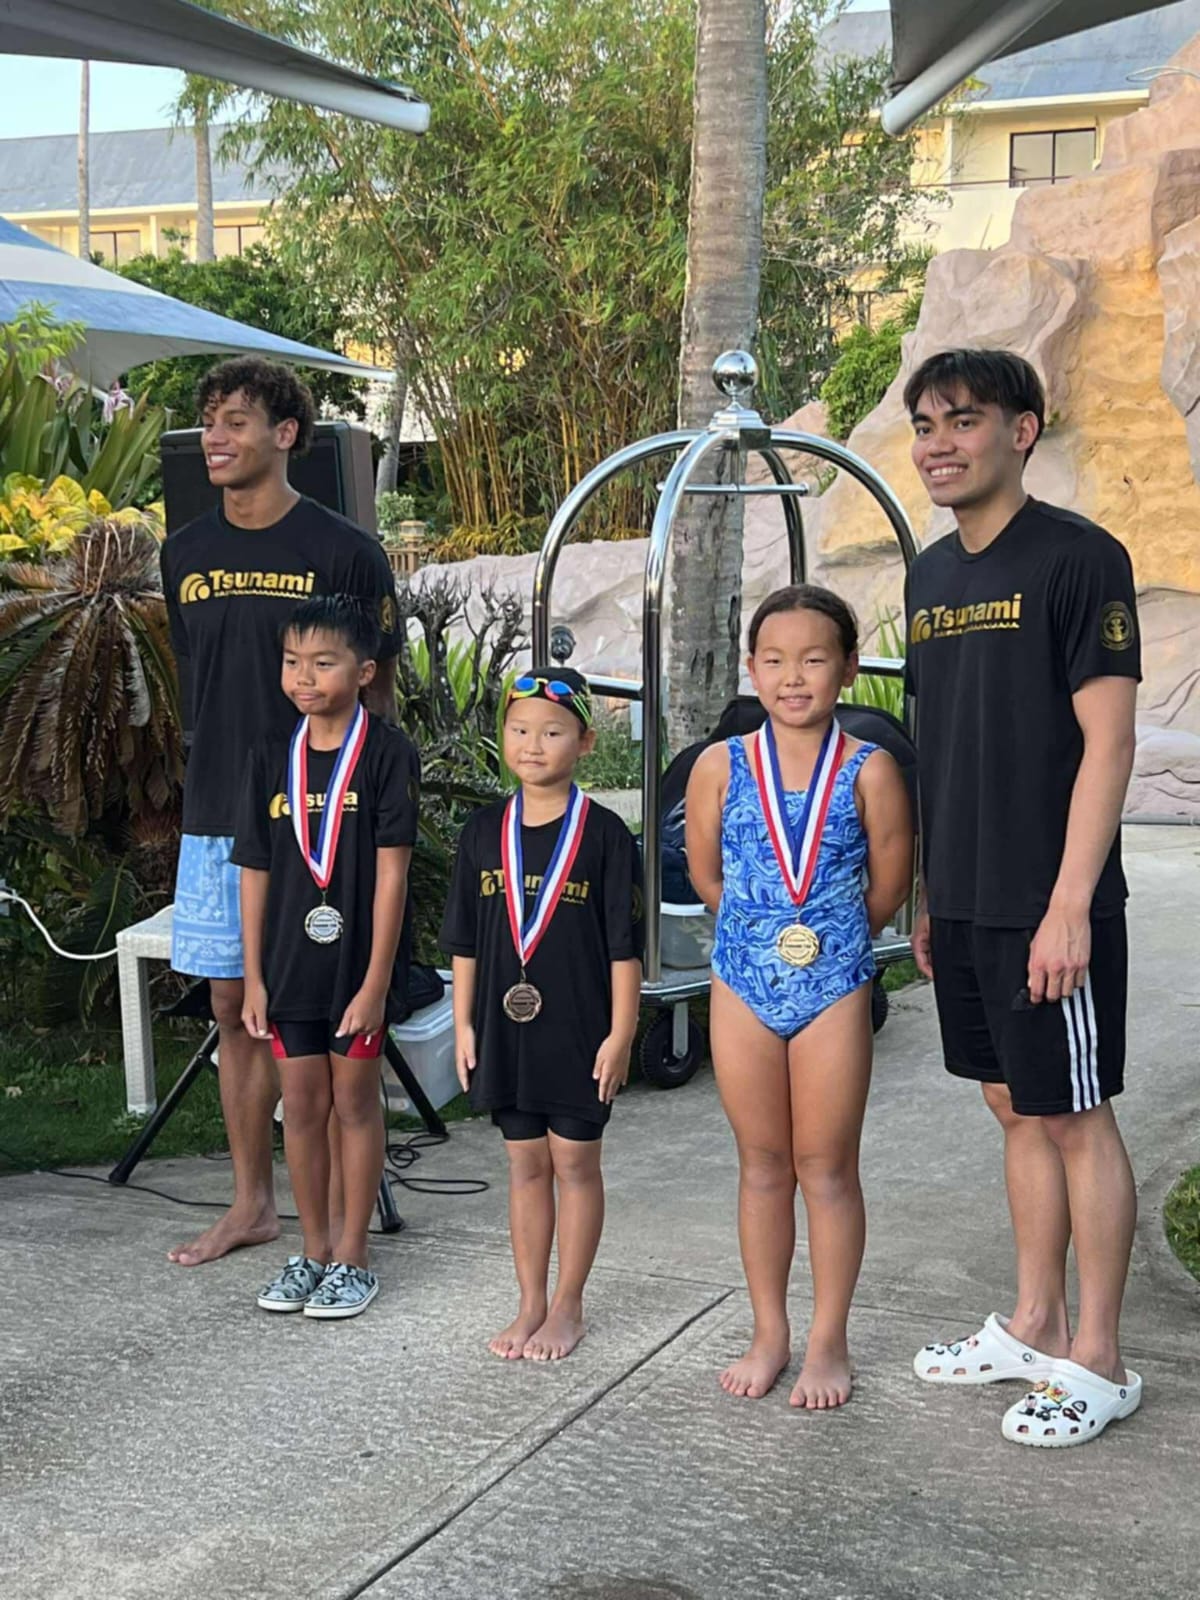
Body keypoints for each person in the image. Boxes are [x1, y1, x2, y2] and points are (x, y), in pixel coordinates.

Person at [903, 348, 1142, 1447]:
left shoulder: (1080, 560)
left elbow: (1109, 742)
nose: (939, 443)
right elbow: (935, 744)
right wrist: (927, 896)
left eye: (963, 420)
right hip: (965, 900)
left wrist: (1071, 904)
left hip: (1053, 902)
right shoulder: (929, 576)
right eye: (925, 425)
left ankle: (1099, 1354)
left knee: (1075, 1114)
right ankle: (1034, 1320)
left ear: (1023, 430)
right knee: (1010, 1104)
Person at [160, 357, 401, 1268]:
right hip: (218, 815)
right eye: (208, 423)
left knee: (324, 1007)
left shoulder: (343, 552)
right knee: (234, 1006)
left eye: (235, 421)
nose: (216, 439)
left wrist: (371, 821)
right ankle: (253, 1204)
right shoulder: (181, 553)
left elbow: (376, 702)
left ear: (286, 434)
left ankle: (335, 1227)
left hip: (324, 820)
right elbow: (203, 679)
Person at [686, 587, 913, 1410]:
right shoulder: (721, 764)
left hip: (834, 986)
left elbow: (890, 884)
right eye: (775, 661)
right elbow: (707, 874)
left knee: (826, 1167)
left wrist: (825, 942)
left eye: (815, 659)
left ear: (848, 668)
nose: (794, 678)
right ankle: (769, 1329)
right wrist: (759, 933)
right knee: (761, 1166)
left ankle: (828, 1339)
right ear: (752, 669)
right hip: (742, 981)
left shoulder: (871, 770)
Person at [441, 669, 643, 1361]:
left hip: (581, 1029)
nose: (534, 745)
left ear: (584, 741)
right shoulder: (481, 832)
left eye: (553, 733)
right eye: (520, 730)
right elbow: (464, 943)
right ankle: (529, 1301)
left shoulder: (607, 836)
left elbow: (625, 949)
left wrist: (621, 1034)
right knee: (524, 1162)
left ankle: (569, 1305)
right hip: (504, 1029)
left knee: (574, 1162)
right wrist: (463, 1024)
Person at [233, 595, 419, 1318]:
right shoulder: (270, 756)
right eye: (292, 661)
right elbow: (254, 870)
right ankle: (311, 1251)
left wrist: (376, 981)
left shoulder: (386, 753)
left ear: (364, 670)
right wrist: (253, 976)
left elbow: (394, 874)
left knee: (353, 1103)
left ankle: (353, 1255)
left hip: (356, 969)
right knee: (301, 1107)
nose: (304, 677)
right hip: (287, 968)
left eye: (323, 662)